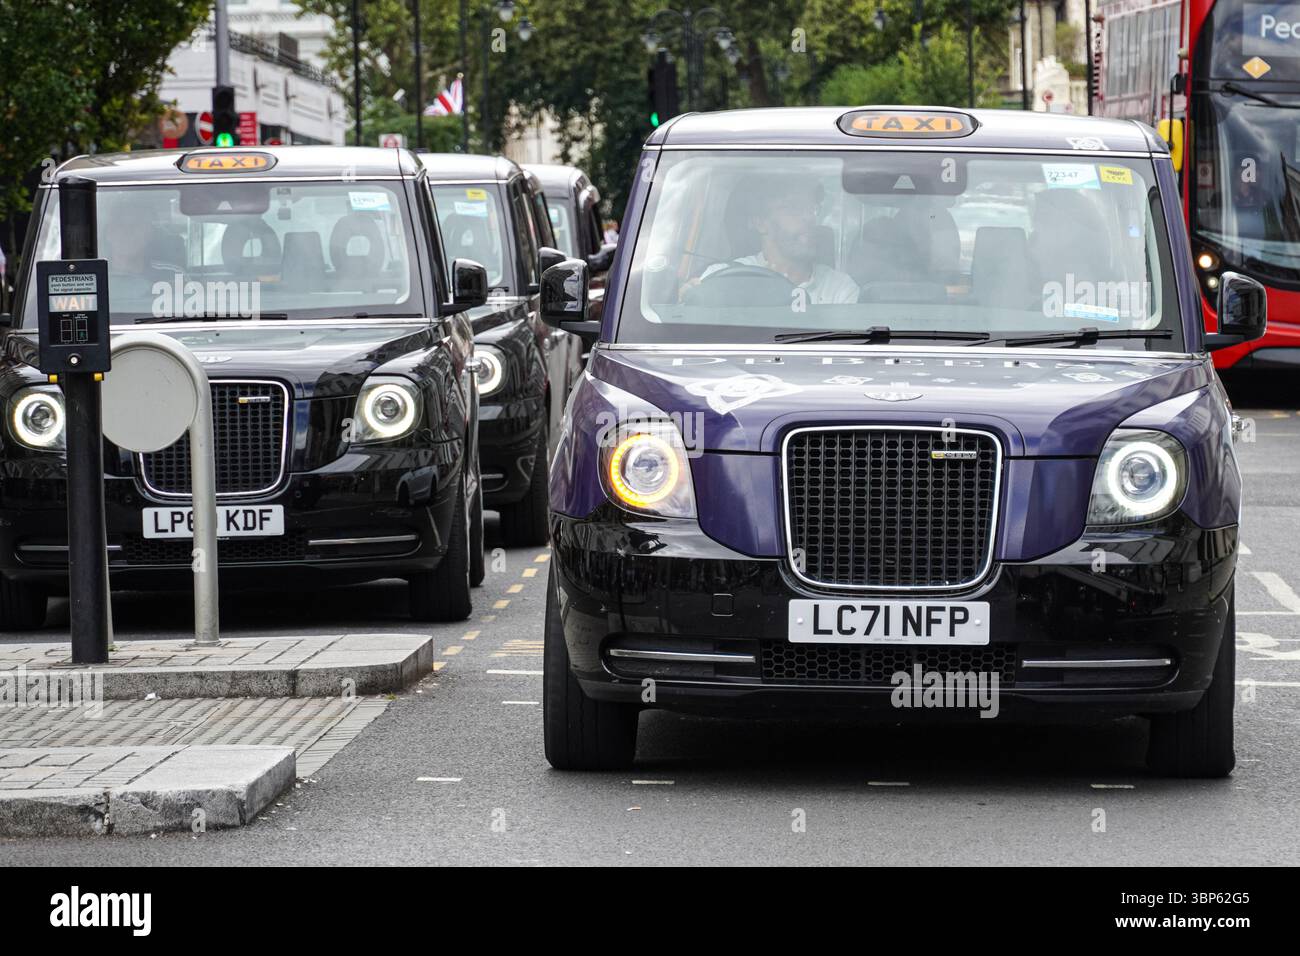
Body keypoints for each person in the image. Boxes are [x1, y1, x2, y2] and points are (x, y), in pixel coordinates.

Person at [700, 178, 858, 304]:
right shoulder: (723, 279)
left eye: (813, 209)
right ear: (761, 222)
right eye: (794, 207)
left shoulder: (839, 289)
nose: (810, 217)